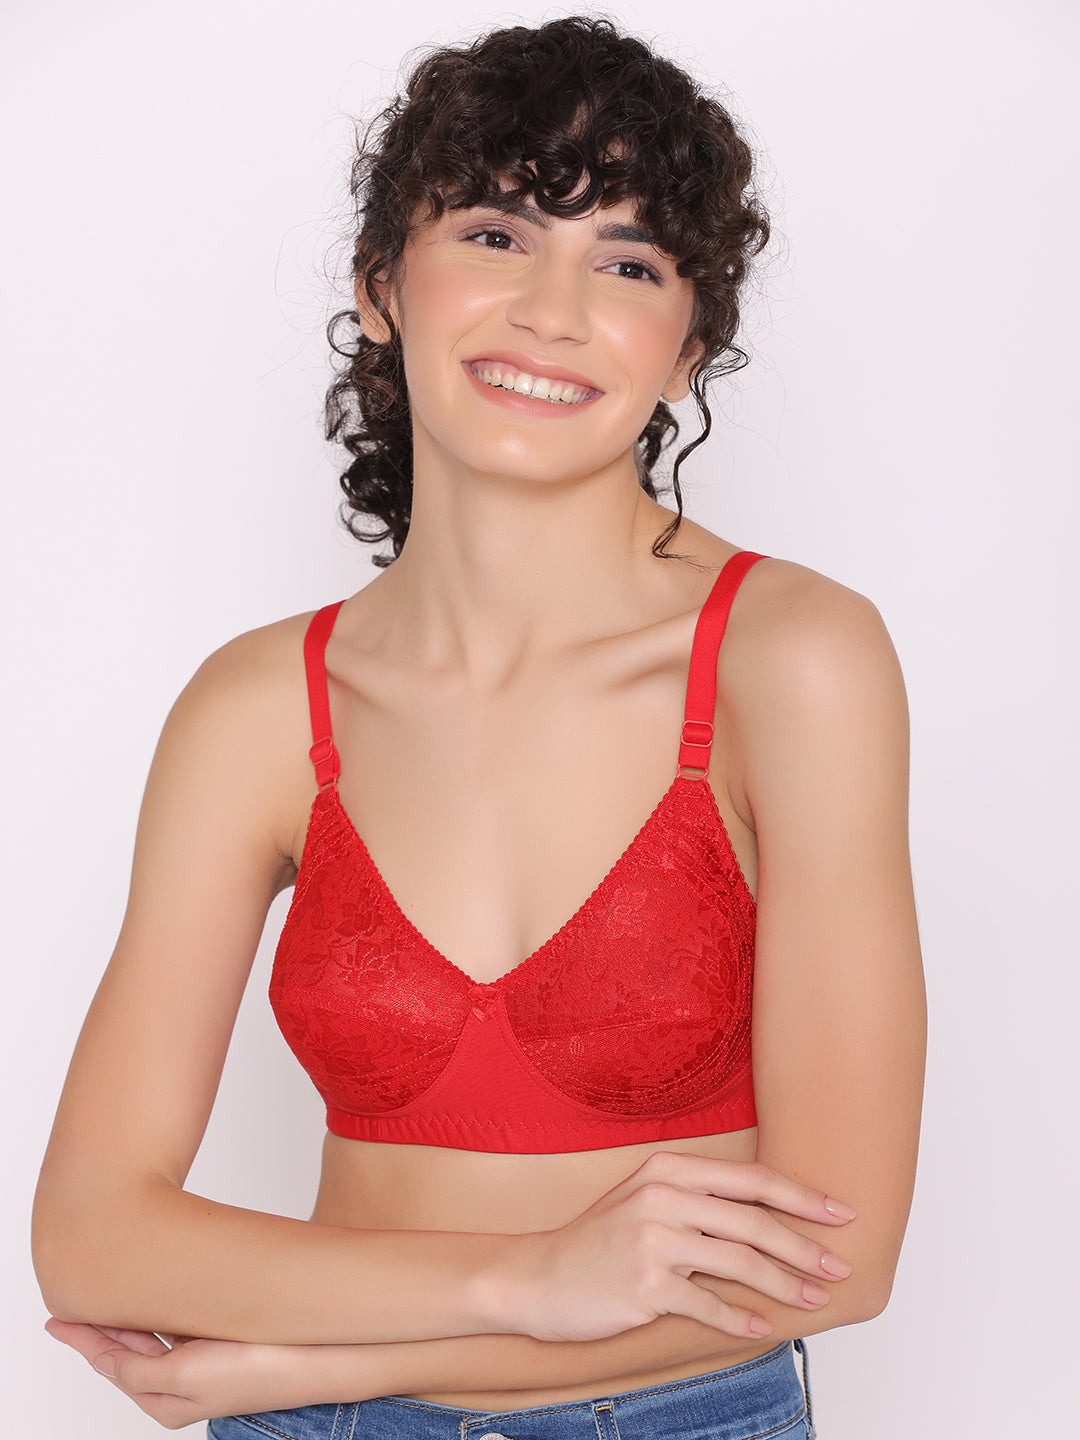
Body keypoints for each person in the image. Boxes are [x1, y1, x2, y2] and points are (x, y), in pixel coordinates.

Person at [32, 15, 926, 1437]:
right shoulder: (257, 708)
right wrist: (529, 1281)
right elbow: (92, 1234)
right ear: (383, 285)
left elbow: (837, 1258)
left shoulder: (793, 662)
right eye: (498, 235)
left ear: (688, 350)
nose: (554, 313)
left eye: (627, 263)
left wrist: (311, 1363)